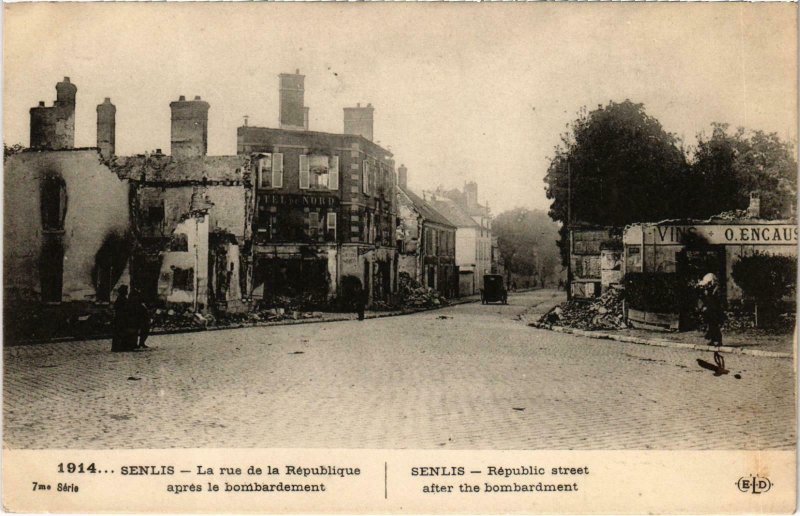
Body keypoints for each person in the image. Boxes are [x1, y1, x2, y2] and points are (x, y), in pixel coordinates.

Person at [698, 273, 724, 347]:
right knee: (711, 325)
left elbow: (714, 301)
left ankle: (719, 341)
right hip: (710, 309)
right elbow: (707, 300)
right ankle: (713, 340)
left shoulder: (715, 290)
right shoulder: (709, 290)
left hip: (715, 310)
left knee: (715, 325)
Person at [111, 286, 135, 352]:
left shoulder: (121, 298)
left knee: (121, 332)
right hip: (122, 318)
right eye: (126, 290)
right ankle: (121, 347)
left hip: (121, 318)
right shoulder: (121, 299)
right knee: (122, 332)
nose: (127, 292)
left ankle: (120, 347)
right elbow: (124, 308)